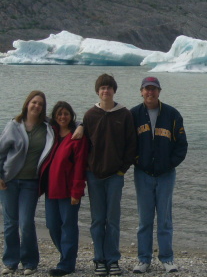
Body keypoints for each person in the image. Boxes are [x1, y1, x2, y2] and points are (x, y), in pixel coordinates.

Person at [130, 76, 188, 274]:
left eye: (154, 89)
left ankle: (167, 258)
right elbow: (126, 142)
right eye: (147, 89)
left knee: (164, 219)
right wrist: (136, 160)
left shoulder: (172, 114)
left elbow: (182, 145)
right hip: (143, 173)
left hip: (165, 175)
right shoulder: (134, 114)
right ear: (141, 91)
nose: (150, 92)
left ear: (159, 92)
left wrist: (169, 164)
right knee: (144, 220)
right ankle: (143, 259)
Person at [82, 74, 136, 276]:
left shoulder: (124, 114)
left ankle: (113, 259)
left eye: (109, 88)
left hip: (115, 175)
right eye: (102, 88)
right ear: (98, 91)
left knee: (112, 219)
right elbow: (83, 145)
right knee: (97, 220)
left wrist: (122, 169)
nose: (106, 91)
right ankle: (99, 260)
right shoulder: (90, 115)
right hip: (94, 175)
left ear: (114, 90)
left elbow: (131, 145)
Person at [0, 91, 55, 275]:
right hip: (9, 181)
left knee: (26, 223)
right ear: (27, 104)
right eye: (34, 102)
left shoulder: (47, 126)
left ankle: (30, 262)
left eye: (40, 104)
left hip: (30, 183)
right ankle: (10, 262)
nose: (36, 106)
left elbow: (69, 122)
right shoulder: (14, 125)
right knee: (10, 223)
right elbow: (1, 151)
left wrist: (80, 127)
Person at [39, 101, 88, 276]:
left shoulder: (76, 137)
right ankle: (66, 256)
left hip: (68, 192)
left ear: (71, 116)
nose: (62, 117)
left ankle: (67, 263)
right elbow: (38, 117)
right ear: (55, 116)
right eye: (59, 114)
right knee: (52, 226)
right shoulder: (51, 133)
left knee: (68, 226)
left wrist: (77, 192)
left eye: (66, 113)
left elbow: (80, 166)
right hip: (51, 190)